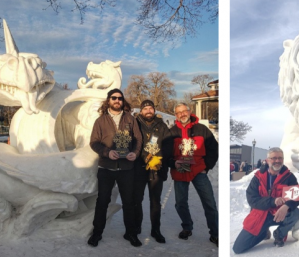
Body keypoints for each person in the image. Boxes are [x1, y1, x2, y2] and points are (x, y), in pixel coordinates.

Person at [87, 88, 143, 247]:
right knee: (102, 201)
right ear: (108, 101)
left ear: (123, 101)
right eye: (114, 98)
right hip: (106, 168)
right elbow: (94, 142)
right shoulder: (101, 121)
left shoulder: (130, 119)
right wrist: (107, 152)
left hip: (126, 168)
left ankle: (130, 233)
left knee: (128, 202)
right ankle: (97, 233)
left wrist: (135, 153)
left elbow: (138, 140)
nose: (117, 100)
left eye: (120, 98)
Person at [163, 103, 219, 245]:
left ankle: (215, 233)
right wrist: (172, 163)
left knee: (209, 203)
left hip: (198, 170)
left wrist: (207, 166)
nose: (182, 114)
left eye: (184, 111)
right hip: (180, 171)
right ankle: (187, 227)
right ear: (176, 115)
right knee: (180, 203)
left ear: (189, 111)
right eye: (178, 112)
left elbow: (213, 148)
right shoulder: (172, 132)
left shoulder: (202, 129)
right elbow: (165, 154)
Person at [232, 147, 299, 254]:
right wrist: (272, 201)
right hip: (261, 215)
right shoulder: (258, 176)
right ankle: (263, 233)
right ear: (268, 160)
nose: (277, 161)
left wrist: (286, 205)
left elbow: (297, 197)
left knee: (296, 213)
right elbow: (252, 200)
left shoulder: (289, 176)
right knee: (238, 248)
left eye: (280, 158)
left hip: (280, 213)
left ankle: (279, 234)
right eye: (274, 158)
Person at [131, 100, 170, 244]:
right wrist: (143, 158)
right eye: (145, 108)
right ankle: (136, 227)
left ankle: (156, 230)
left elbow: (168, 144)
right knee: (137, 201)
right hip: (139, 169)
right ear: (141, 111)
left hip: (156, 170)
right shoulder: (134, 124)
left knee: (155, 202)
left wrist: (159, 158)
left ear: (154, 110)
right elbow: (131, 144)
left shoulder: (162, 125)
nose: (148, 111)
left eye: (151, 108)